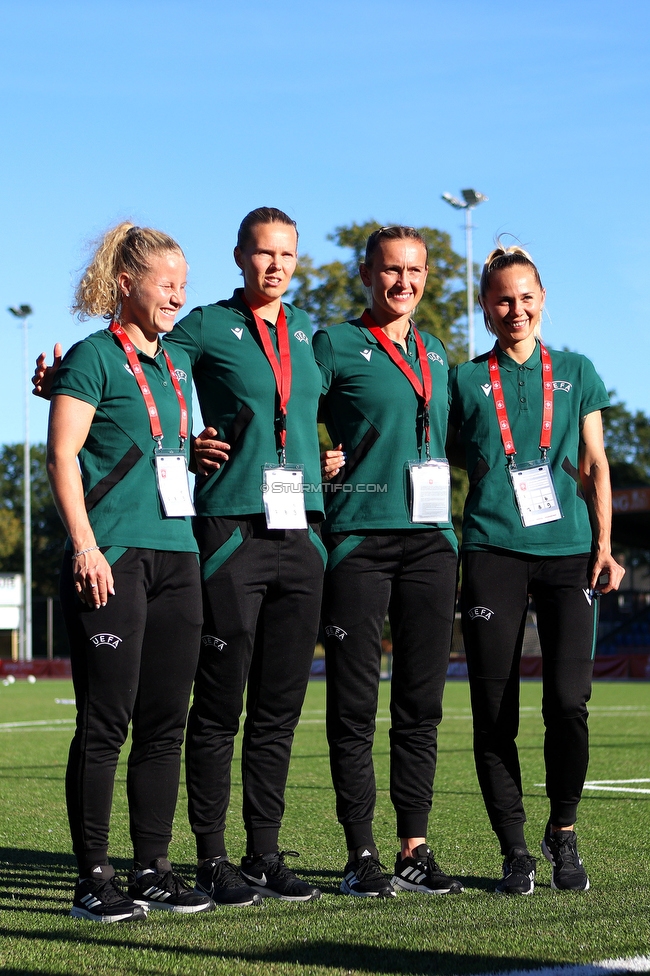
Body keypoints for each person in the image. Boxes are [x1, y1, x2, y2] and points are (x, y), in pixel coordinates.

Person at [45, 222, 214, 921]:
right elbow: (62, 459)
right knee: (105, 723)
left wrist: (197, 452)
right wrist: (84, 546)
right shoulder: (90, 358)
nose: (177, 293)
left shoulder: (174, 364)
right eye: (164, 281)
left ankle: (152, 868)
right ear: (125, 283)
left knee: (165, 724)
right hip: (111, 559)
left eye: (183, 282)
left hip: (179, 555)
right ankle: (93, 877)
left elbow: (154, 452)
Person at [447, 243, 625, 894]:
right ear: (487, 309)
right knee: (495, 708)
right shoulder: (465, 381)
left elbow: (596, 462)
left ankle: (565, 832)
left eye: (526, 296)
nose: (515, 308)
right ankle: (515, 848)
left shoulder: (577, 371)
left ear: (542, 299)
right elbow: (434, 453)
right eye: (502, 299)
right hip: (492, 549)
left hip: (569, 553)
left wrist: (604, 545)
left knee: (568, 704)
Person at [170, 207, 325, 903]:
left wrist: (334, 458)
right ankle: (210, 856)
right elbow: (147, 373)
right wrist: (183, 441)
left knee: (278, 710)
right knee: (219, 708)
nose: (275, 266)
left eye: (286, 254)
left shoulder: (311, 338)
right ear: (239, 257)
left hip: (302, 536)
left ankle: (264, 853)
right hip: (232, 531)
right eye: (263, 254)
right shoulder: (205, 325)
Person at [315, 226, 463, 897]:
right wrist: (309, 459)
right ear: (367, 274)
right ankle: (360, 854)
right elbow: (279, 406)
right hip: (360, 542)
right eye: (392, 271)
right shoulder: (335, 342)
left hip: (432, 542)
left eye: (416, 271)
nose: (405, 283)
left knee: (420, 706)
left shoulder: (434, 350)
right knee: (353, 707)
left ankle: (414, 847)